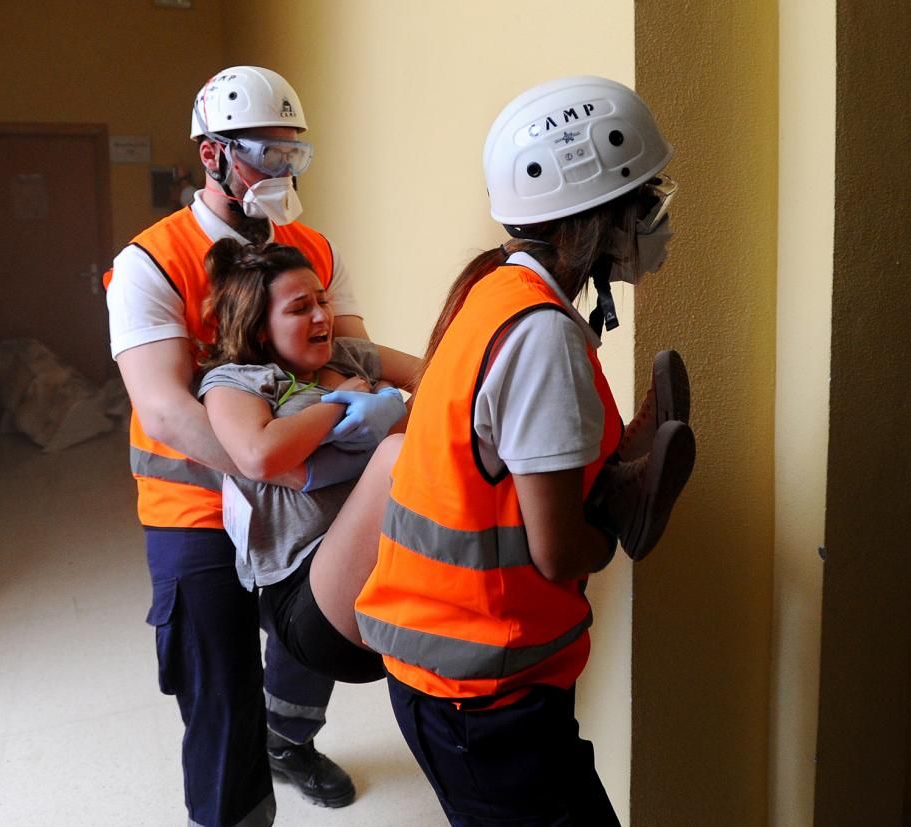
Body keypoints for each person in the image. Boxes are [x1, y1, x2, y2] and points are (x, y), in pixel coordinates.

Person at [351, 76, 697, 824]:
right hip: (481, 694)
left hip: (454, 672)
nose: (655, 220)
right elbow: (558, 553)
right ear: (592, 221)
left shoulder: (497, 291)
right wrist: (610, 529)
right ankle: (623, 496)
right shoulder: (541, 336)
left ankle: (616, 473)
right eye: (642, 202)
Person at [106, 66, 403, 824]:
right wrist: (278, 462)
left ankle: (291, 740)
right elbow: (167, 411)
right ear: (212, 156)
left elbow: (355, 356)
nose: (283, 172)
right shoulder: (152, 261)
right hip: (196, 505)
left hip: (300, 479)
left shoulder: (313, 249)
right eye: (266, 155)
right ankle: (233, 808)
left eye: (293, 156)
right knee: (221, 684)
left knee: (318, 628)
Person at [197, 239, 418, 686]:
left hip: (385, 571)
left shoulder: (349, 354)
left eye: (322, 301)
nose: (322, 316)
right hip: (309, 599)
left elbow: (444, 378)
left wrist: (392, 402)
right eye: (300, 308)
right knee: (398, 455)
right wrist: (344, 404)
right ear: (261, 327)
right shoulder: (234, 382)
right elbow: (259, 455)